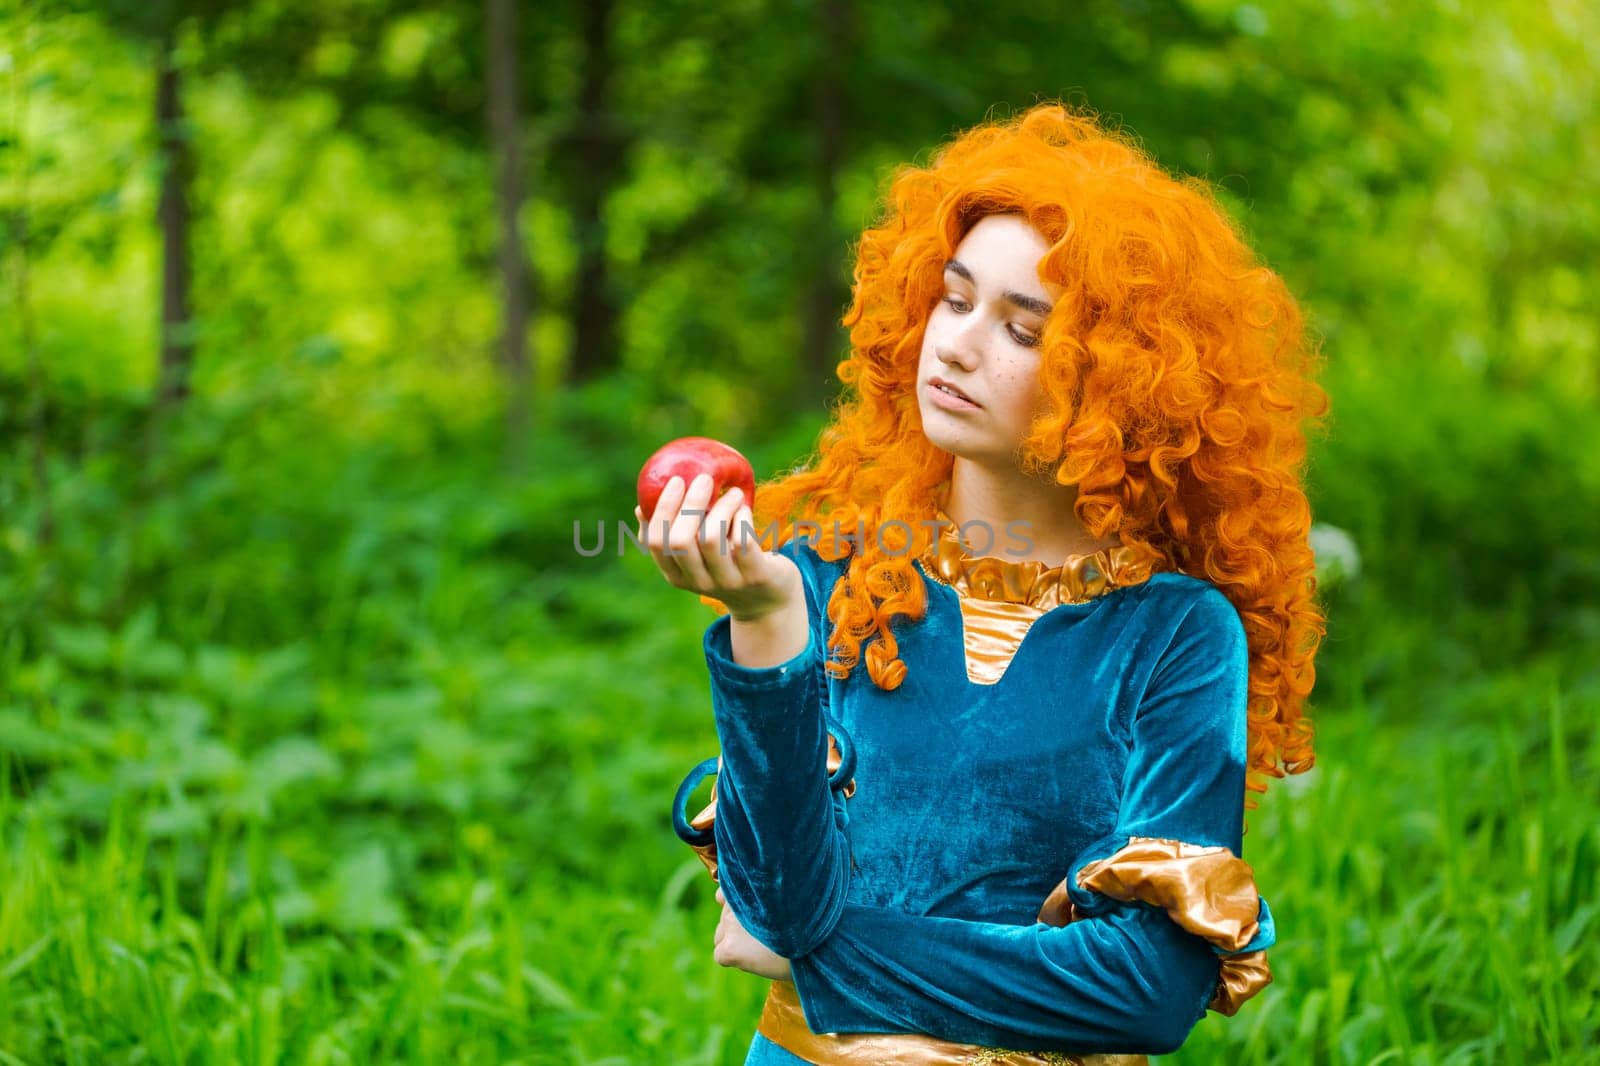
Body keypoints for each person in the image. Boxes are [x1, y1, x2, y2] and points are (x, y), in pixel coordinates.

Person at [640, 103, 1327, 1065]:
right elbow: (774, 902)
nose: (956, 345)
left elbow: (1146, 992)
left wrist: (827, 957)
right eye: (954, 300)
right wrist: (765, 623)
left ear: (1117, 382)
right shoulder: (830, 576)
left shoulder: (1172, 633)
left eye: (1022, 328)